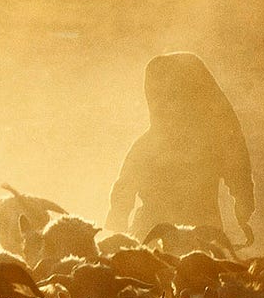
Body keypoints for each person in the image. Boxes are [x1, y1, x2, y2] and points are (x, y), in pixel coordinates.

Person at [107, 51, 254, 242]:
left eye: (173, 96)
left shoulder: (211, 143)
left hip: (200, 238)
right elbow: (122, 196)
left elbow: (238, 171)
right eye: (158, 96)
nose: (165, 104)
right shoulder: (147, 146)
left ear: (192, 97)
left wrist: (243, 210)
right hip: (154, 241)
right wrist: (114, 235)